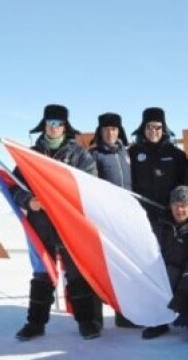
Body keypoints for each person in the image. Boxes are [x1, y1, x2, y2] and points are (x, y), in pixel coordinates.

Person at [12, 104, 103, 341]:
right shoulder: (30, 155)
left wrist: (65, 200)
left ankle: (86, 321)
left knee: (75, 273)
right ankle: (35, 324)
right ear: (44, 125)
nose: (54, 128)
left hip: (70, 226)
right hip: (40, 225)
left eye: (58, 123)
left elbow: (90, 187)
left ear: (65, 127)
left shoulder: (80, 155)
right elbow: (13, 187)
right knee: (43, 274)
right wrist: (28, 200)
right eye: (50, 123)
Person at [88, 112, 137, 328]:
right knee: (100, 268)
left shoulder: (126, 153)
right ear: (100, 132)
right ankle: (94, 318)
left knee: (123, 268)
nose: (111, 133)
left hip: (126, 220)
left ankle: (124, 314)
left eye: (115, 129)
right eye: (107, 129)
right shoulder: (94, 155)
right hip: (105, 220)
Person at [141, 185, 188, 339]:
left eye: (183, 206)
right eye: (175, 205)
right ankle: (158, 321)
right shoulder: (161, 225)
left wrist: (183, 293)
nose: (179, 210)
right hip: (167, 274)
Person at [129, 107, 187, 221]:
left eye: (157, 127)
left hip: (169, 213)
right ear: (143, 128)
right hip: (142, 212)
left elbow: (183, 183)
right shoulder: (132, 153)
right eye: (149, 127)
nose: (153, 131)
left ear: (164, 129)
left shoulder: (176, 154)